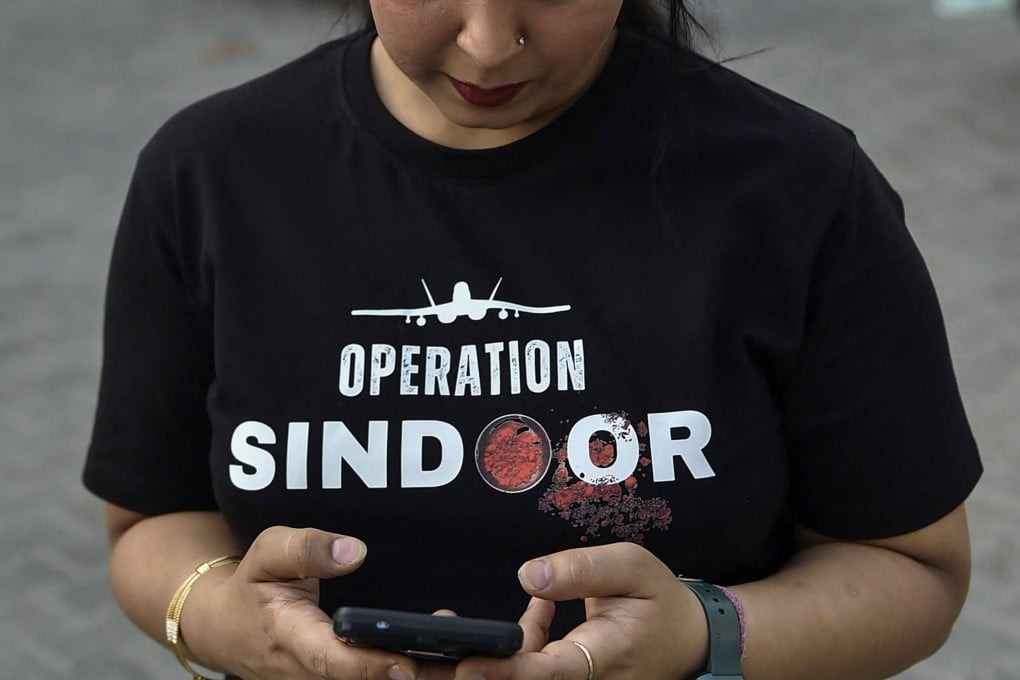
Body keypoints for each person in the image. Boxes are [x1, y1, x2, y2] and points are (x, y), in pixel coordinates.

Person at [83, 0, 983, 677]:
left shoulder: (797, 186)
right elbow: (147, 523)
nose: (486, 41)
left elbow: (914, 569)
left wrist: (699, 633)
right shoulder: (206, 173)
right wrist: (222, 620)